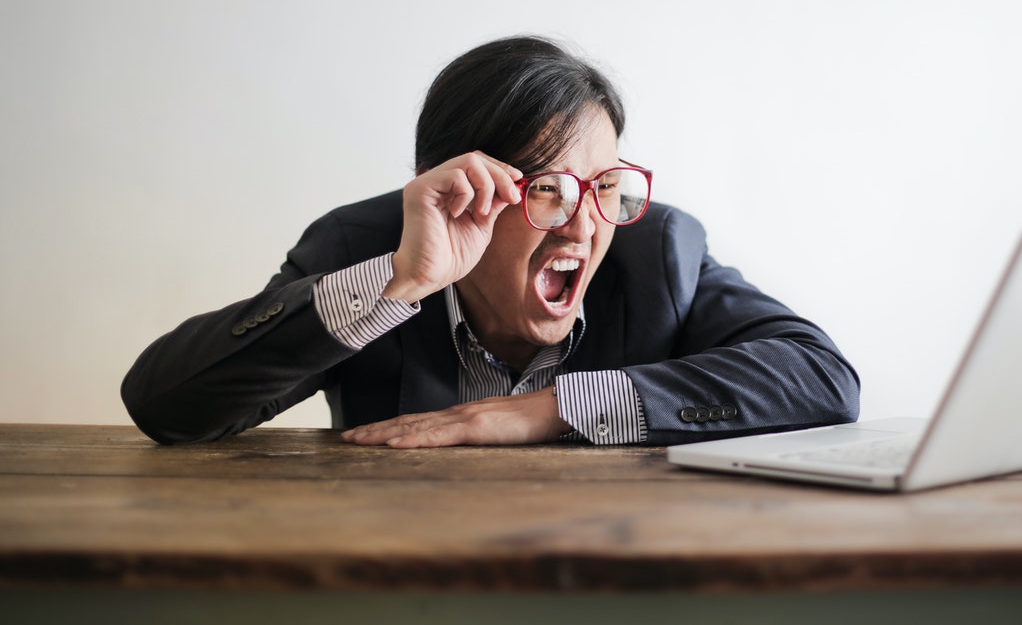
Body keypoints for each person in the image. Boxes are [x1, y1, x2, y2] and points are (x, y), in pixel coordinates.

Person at [121, 36, 860, 447]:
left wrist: (545, 409)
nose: (583, 223)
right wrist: (398, 284)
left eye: (605, 185)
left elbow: (822, 377)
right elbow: (164, 404)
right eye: (546, 188)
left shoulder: (657, 249)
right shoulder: (363, 245)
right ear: (451, 186)